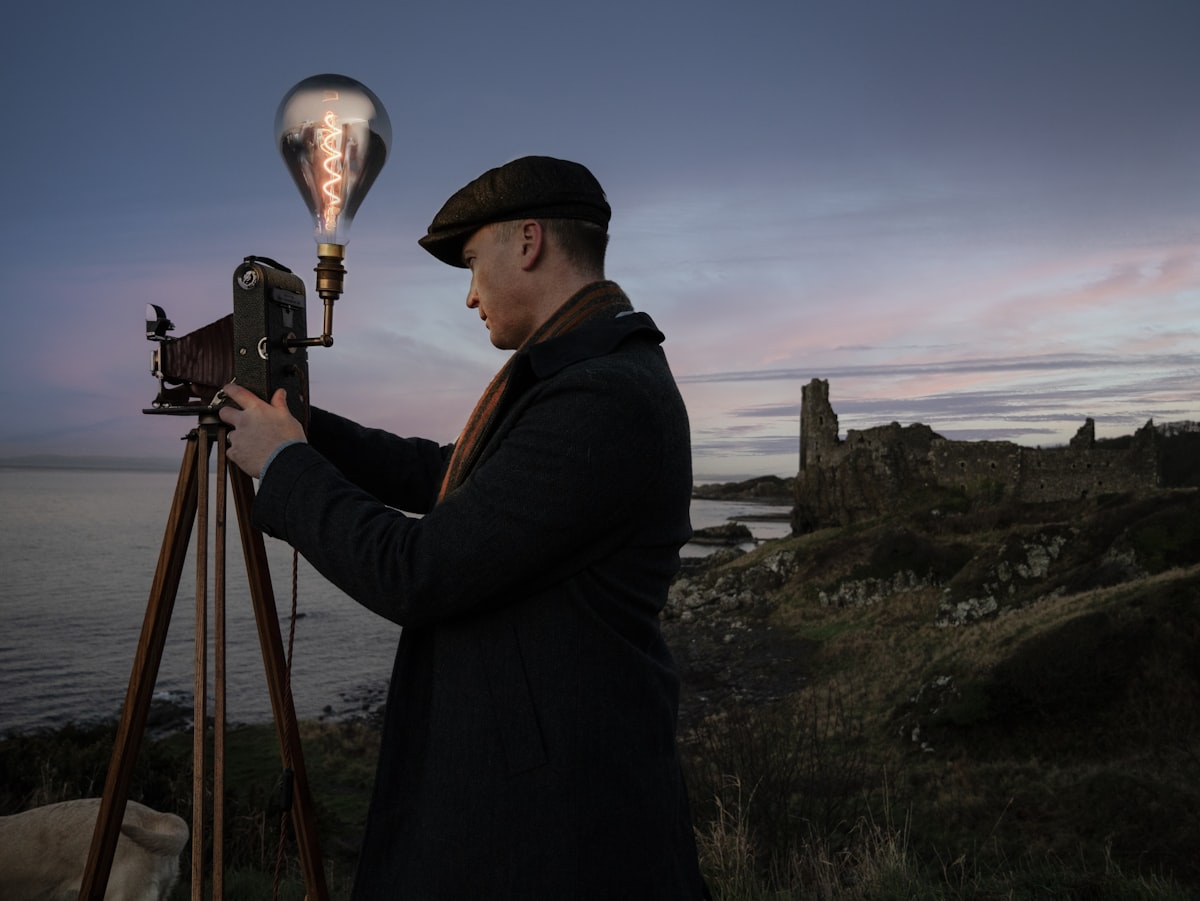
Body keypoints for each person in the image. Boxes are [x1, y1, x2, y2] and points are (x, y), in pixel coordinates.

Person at [219, 156, 707, 899]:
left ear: (529, 241)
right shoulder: (590, 369)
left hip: (555, 824)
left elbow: (418, 570)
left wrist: (285, 469)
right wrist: (304, 429)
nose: (471, 294)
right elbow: (446, 471)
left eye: (473, 263)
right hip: (551, 788)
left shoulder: (602, 397)